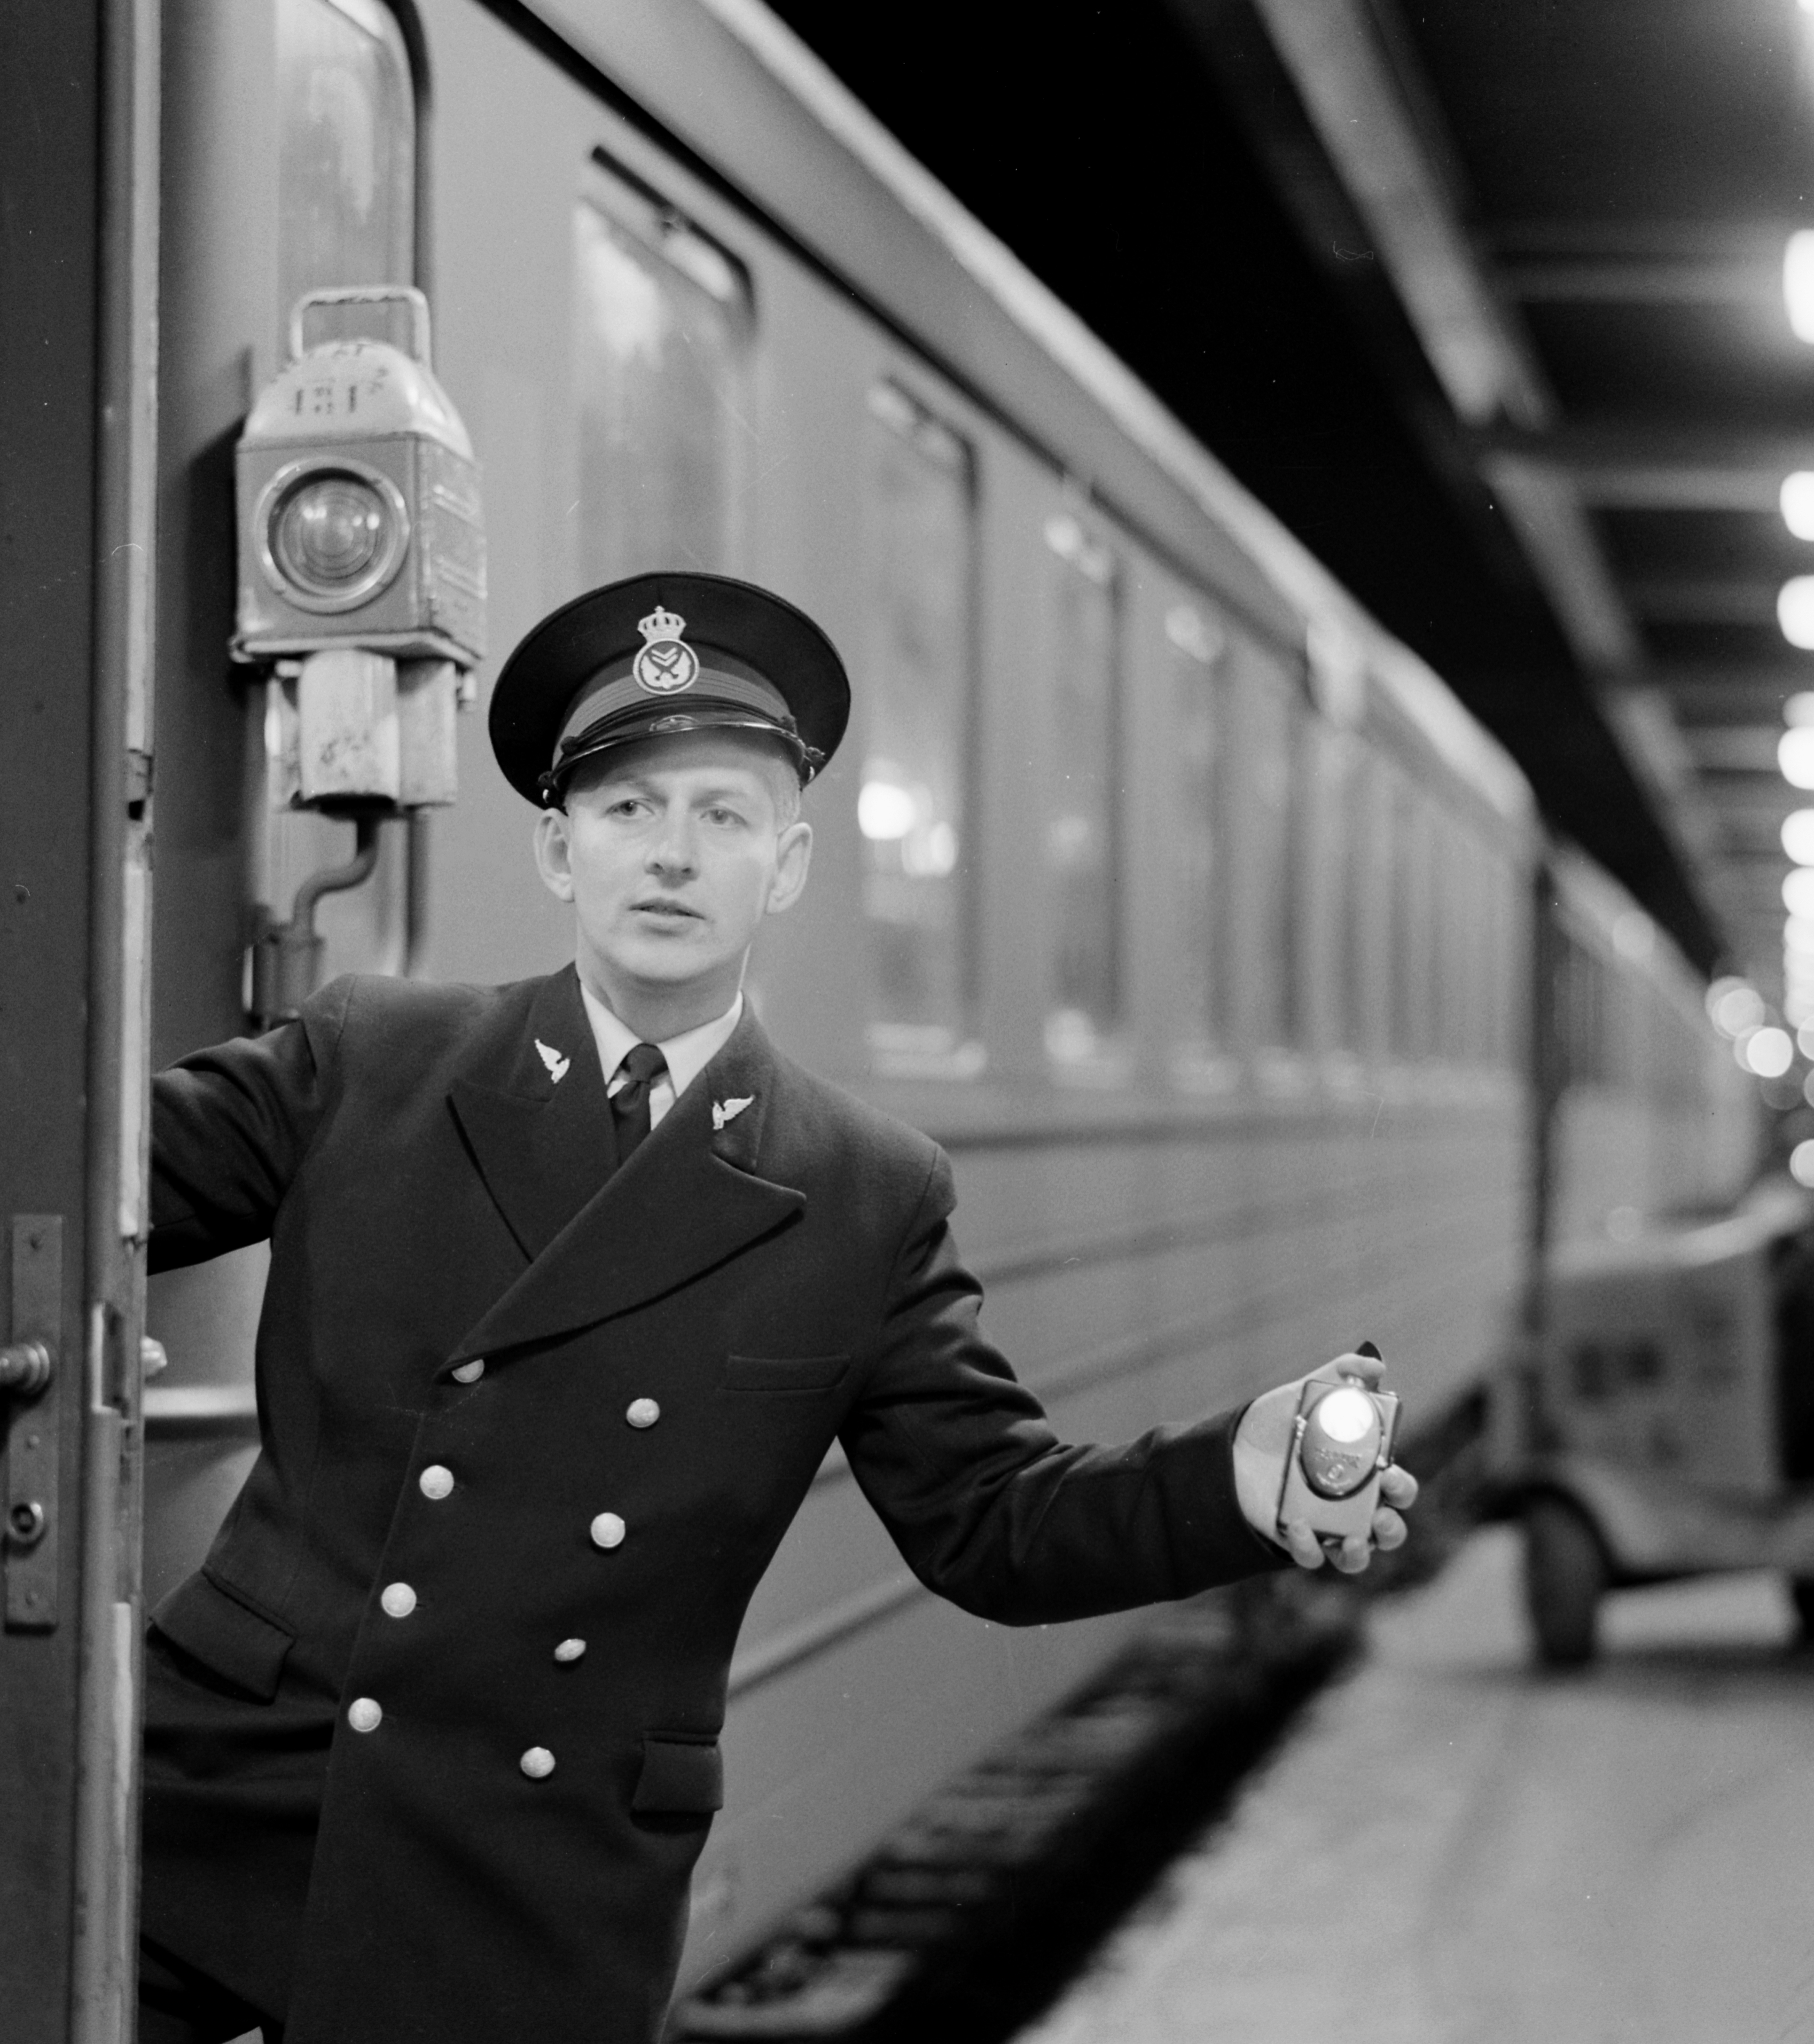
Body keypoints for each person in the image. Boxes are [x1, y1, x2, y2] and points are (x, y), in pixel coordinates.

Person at [137, 571, 1417, 2044]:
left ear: (788, 864)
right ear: (558, 847)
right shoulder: (372, 1059)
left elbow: (990, 1520)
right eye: (628, 809)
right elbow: (74, 1175)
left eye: (723, 816)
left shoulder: (860, 1193)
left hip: (526, 1874)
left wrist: (1233, 1479)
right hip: (224, 1798)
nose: (671, 856)